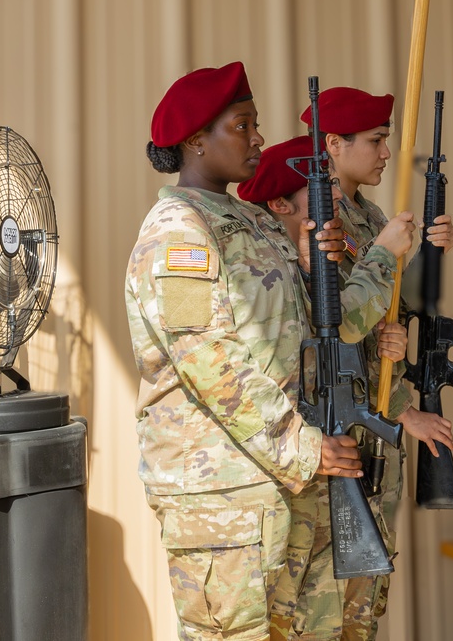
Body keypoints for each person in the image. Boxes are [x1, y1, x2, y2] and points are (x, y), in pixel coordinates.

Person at [125, 62, 365, 641]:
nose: (259, 138)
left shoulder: (252, 220)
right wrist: (304, 447)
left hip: (282, 480)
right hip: (222, 494)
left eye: (255, 124)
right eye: (242, 124)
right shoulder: (179, 232)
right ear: (195, 141)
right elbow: (210, 360)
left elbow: (292, 330)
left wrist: (313, 267)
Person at [237, 136, 415, 639]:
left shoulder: (314, 266)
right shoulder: (266, 267)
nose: (337, 204)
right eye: (322, 197)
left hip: (330, 463)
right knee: (291, 620)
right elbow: (342, 327)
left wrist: (387, 343)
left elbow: (343, 341)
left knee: (344, 618)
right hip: (295, 474)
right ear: (279, 205)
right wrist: (382, 258)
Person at [300, 86, 453, 641]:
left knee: (365, 607)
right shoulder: (317, 216)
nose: (387, 153)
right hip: (346, 427)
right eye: (376, 140)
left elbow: (398, 307)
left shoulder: (371, 215)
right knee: (327, 604)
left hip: (379, 417)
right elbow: (342, 321)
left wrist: (433, 249)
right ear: (335, 144)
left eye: (388, 140)